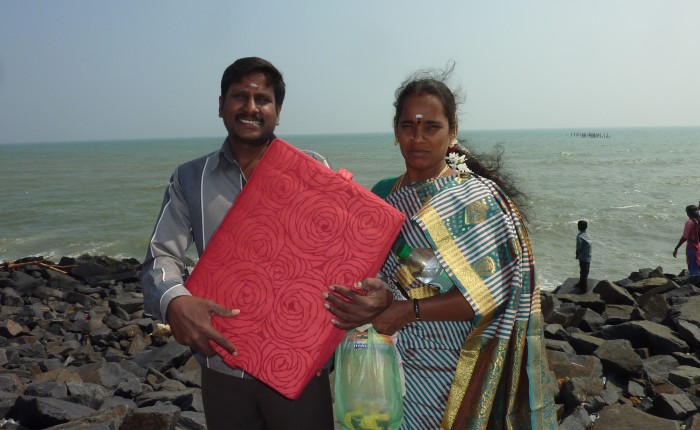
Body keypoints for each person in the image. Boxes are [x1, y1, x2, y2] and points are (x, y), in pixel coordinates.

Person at [322, 66, 557, 429]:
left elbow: (483, 298)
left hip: (455, 366)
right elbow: (366, 270)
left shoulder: (476, 199)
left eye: (431, 126)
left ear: (452, 132)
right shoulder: (383, 196)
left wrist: (405, 308)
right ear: (395, 132)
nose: (418, 137)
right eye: (407, 126)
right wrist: (332, 205)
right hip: (385, 363)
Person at [141, 57, 334, 430]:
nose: (250, 108)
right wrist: (174, 300)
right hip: (221, 365)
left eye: (262, 99)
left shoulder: (312, 169)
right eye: (239, 96)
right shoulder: (189, 178)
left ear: (278, 112)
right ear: (220, 105)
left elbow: (336, 255)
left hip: (298, 366)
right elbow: (160, 255)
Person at [672, 204, 700, 276]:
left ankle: (694, 282)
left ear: (688, 213)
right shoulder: (698, 221)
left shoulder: (690, 222)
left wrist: (676, 248)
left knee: (693, 267)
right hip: (698, 246)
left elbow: (684, 237)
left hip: (692, 248)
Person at [575, 220, 592, 292]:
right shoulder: (587, 235)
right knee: (585, 272)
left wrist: (577, 254)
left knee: (583, 272)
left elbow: (579, 247)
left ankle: (583, 289)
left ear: (578, 227)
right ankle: (580, 283)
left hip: (583, 257)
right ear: (586, 227)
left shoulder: (580, 236)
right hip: (588, 256)